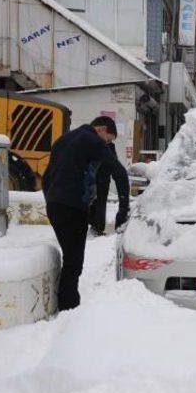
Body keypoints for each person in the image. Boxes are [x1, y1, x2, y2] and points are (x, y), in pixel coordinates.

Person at [43, 116, 130, 311]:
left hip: (55, 206)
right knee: (74, 261)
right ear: (100, 129)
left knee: (70, 256)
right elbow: (119, 172)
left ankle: (66, 302)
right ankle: (69, 308)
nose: (106, 144)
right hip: (73, 208)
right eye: (108, 139)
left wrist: (52, 199)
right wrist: (123, 210)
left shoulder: (63, 140)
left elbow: (47, 176)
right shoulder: (92, 140)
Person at [88, 142, 117, 236]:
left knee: (93, 202)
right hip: (103, 179)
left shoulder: (93, 143)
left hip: (94, 179)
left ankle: (94, 224)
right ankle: (98, 227)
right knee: (101, 203)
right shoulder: (110, 146)